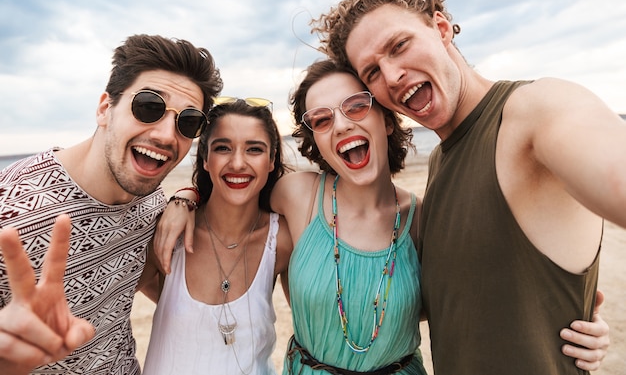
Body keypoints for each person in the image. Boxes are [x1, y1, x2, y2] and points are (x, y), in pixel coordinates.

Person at [153, 60, 608, 374]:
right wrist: (185, 197)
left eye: (356, 107)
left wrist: (572, 322)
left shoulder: (420, 216)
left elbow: (467, 297)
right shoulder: (297, 194)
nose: (344, 124)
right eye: (323, 119)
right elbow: (237, 181)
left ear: (387, 120)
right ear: (315, 138)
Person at [312, 0, 622, 374]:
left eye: (400, 45)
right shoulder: (441, 163)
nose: (391, 75)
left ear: (441, 28)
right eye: (372, 72)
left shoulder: (533, 112)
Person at [0, 34, 223, 375]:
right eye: (148, 107)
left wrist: (186, 198)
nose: (166, 135)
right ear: (105, 109)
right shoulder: (11, 207)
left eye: (188, 122)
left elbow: (148, 281)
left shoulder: (151, 200)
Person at [138, 98, 292, 375]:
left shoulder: (281, 241)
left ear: (271, 161)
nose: (237, 163)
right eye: (223, 148)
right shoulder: (169, 233)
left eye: (254, 149)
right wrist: (184, 197)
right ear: (206, 159)